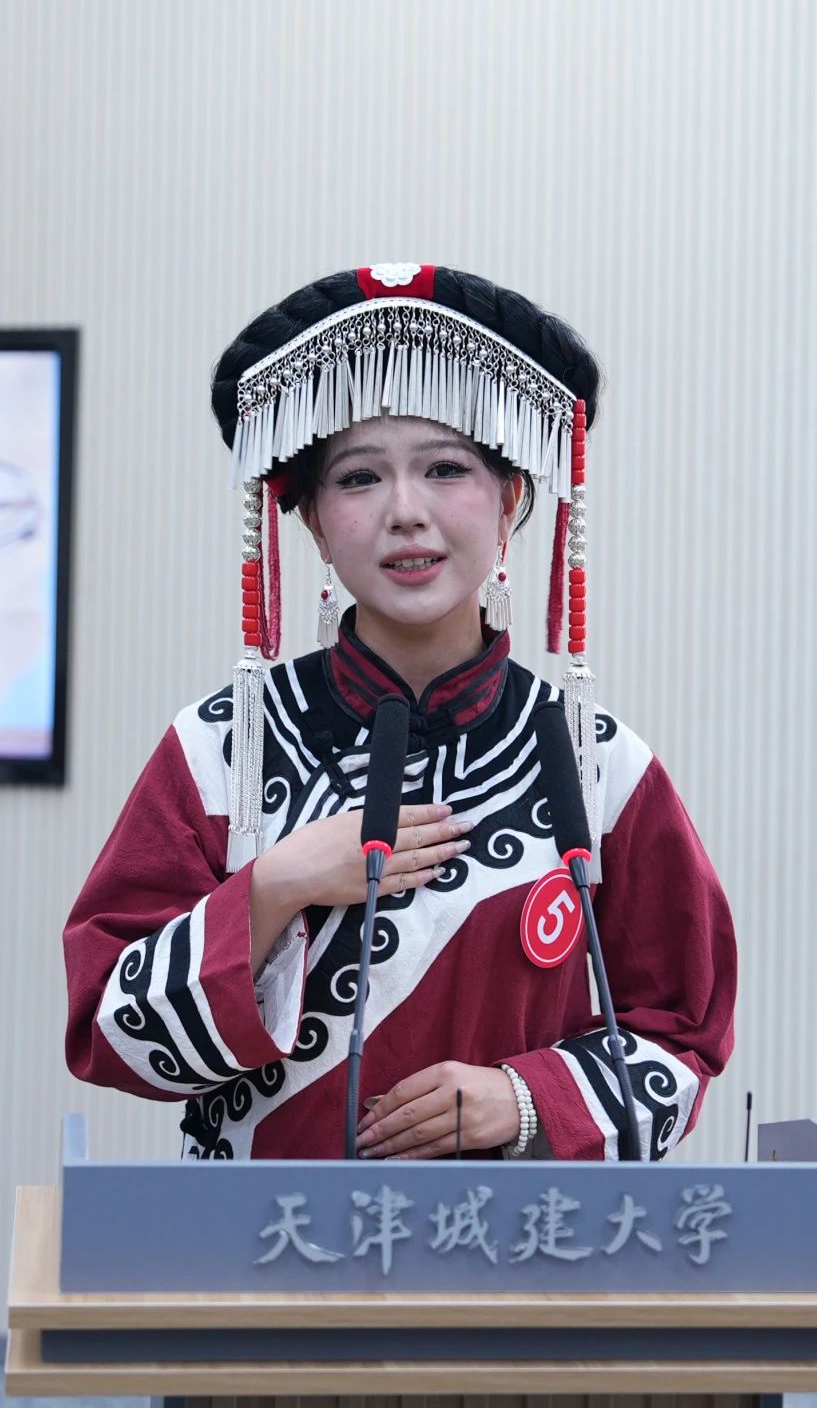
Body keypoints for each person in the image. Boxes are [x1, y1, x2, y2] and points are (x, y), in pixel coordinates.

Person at [63, 264, 736, 1163]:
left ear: (509, 500)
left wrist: (524, 1100)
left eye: (445, 468)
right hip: (257, 1238)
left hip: (513, 1243)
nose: (405, 513)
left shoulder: (599, 765)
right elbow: (104, 1026)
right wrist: (274, 886)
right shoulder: (223, 749)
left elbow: (682, 1034)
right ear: (311, 521)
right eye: (359, 478)